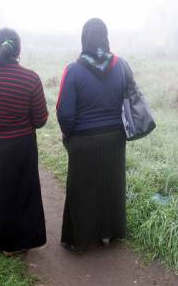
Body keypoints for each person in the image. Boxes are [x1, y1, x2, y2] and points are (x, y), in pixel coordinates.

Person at [0, 27, 48, 255]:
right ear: (18, 49)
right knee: (19, 192)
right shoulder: (30, 78)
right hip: (19, 145)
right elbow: (41, 119)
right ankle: (16, 243)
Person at [56, 18, 127, 252]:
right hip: (115, 137)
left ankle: (79, 239)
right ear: (106, 38)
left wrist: (69, 136)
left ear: (83, 39)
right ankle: (109, 234)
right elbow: (130, 100)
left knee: (81, 189)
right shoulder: (121, 65)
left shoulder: (73, 70)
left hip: (83, 140)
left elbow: (64, 111)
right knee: (110, 184)